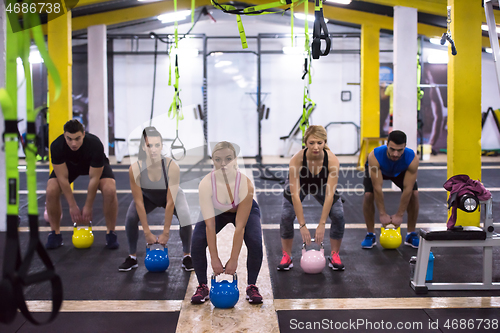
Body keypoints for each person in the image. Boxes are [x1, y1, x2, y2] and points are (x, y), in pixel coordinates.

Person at [190, 141, 263, 305]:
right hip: (217, 212)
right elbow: (210, 226)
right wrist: (214, 258)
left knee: (255, 241)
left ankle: (252, 286)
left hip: (245, 211)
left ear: (236, 160)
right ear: (213, 161)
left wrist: (233, 259)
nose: (223, 164)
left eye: (228, 159)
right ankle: (202, 285)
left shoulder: (245, 184)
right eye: (218, 159)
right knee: (197, 240)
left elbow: (240, 227)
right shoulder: (206, 184)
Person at [118, 127, 193, 272]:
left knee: (185, 216)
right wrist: (147, 232)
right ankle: (132, 257)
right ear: (143, 147)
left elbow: (170, 202)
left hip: (172, 196)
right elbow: (139, 202)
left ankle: (187, 256)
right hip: (148, 198)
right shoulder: (135, 169)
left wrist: (165, 233)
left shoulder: (172, 167)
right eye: (149, 145)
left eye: (157, 145)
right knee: (131, 217)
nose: (153, 149)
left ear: (162, 145)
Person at [277, 125, 346, 271]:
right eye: (311, 143)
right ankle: (287, 256)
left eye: (320, 143)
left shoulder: (332, 161)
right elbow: (295, 195)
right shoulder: (296, 160)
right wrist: (302, 225)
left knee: (338, 214)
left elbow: (329, 194)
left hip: (322, 184)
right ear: (305, 142)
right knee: (286, 215)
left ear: (325, 142)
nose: (316, 147)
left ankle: (334, 255)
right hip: (300, 184)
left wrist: (322, 224)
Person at [45, 119, 119, 249]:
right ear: (64, 135)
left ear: (84, 134)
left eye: (77, 138)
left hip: (93, 167)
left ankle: (111, 233)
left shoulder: (95, 144)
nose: (74, 143)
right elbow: (62, 178)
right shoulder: (57, 146)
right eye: (69, 139)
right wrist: (72, 206)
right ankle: (55, 234)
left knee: (109, 189)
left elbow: (94, 178)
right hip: (69, 167)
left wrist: (88, 205)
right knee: (51, 189)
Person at [361, 130, 420, 249]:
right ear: (386, 144)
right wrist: (382, 214)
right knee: (368, 195)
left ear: (405, 147)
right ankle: (370, 234)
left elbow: (407, 189)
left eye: (400, 150)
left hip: (400, 171)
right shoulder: (375, 156)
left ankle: (411, 234)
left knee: (414, 194)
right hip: (380, 169)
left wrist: (399, 215)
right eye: (392, 149)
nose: (395, 154)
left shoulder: (412, 158)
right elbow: (377, 188)